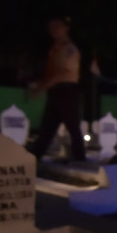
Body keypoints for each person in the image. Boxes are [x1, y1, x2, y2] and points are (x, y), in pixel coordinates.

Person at [29, 16, 86, 161]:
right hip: (55, 90)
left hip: (66, 91)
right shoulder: (55, 48)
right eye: (51, 26)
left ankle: (80, 160)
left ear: (66, 28)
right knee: (47, 128)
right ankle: (34, 159)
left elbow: (64, 73)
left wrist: (42, 86)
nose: (53, 29)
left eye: (57, 26)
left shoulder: (69, 49)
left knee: (73, 128)